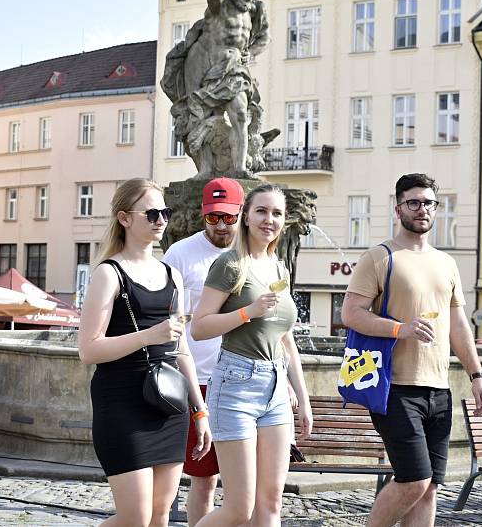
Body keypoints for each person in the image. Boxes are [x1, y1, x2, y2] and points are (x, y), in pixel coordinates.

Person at [341, 173, 482, 527]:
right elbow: (351, 314)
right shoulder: (379, 257)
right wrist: (399, 329)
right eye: (414, 202)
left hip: (438, 390)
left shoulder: (447, 263)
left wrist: (477, 375)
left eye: (429, 203)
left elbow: (458, 326)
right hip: (395, 387)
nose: (422, 209)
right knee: (414, 479)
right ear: (398, 209)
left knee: (431, 488)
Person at [78, 177, 211, 527]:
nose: (161, 220)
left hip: (168, 402)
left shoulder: (172, 275)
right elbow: (88, 349)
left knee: (160, 516)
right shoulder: (109, 273)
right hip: (121, 401)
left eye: (164, 213)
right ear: (124, 218)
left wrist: (200, 411)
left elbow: (181, 349)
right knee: (135, 518)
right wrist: (150, 335)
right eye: (151, 213)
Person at [192, 183, 313, 526]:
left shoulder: (278, 269)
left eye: (277, 213)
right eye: (261, 211)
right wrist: (248, 312)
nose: (269, 219)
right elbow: (199, 327)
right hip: (236, 385)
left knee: (271, 502)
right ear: (245, 217)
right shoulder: (230, 264)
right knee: (238, 510)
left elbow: (286, 339)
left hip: (276, 389)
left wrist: (302, 399)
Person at [162, 177, 244, 525]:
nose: (222, 225)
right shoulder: (180, 253)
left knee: (247, 486)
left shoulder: (253, 252)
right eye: (214, 218)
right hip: (200, 378)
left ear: (240, 213)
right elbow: (167, 319)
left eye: (228, 217)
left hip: (243, 378)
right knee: (204, 479)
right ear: (202, 215)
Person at [162, 0, 270, 178]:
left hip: (233, 68)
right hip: (203, 65)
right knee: (201, 117)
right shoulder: (220, 5)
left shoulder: (255, 10)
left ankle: (240, 168)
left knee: (240, 114)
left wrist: (250, 53)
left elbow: (263, 38)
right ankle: (206, 169)